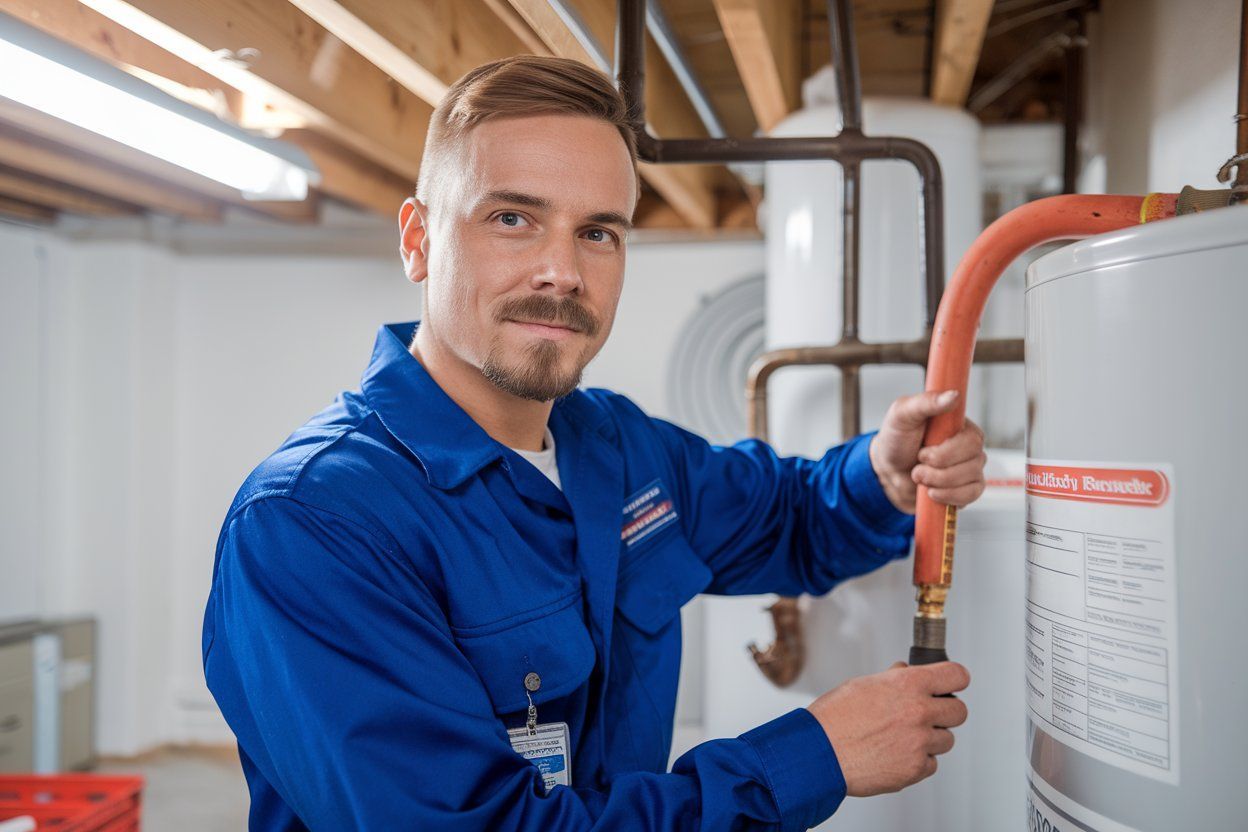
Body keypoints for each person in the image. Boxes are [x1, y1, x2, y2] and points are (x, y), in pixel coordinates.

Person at [204, 55, 986, 831]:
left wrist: (883, 475)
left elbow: (786, 515)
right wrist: (814, 757)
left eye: (598, 232)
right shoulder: (313, 523)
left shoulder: (614, 448)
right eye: (512, 219)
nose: (563, 272)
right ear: (418, 240)